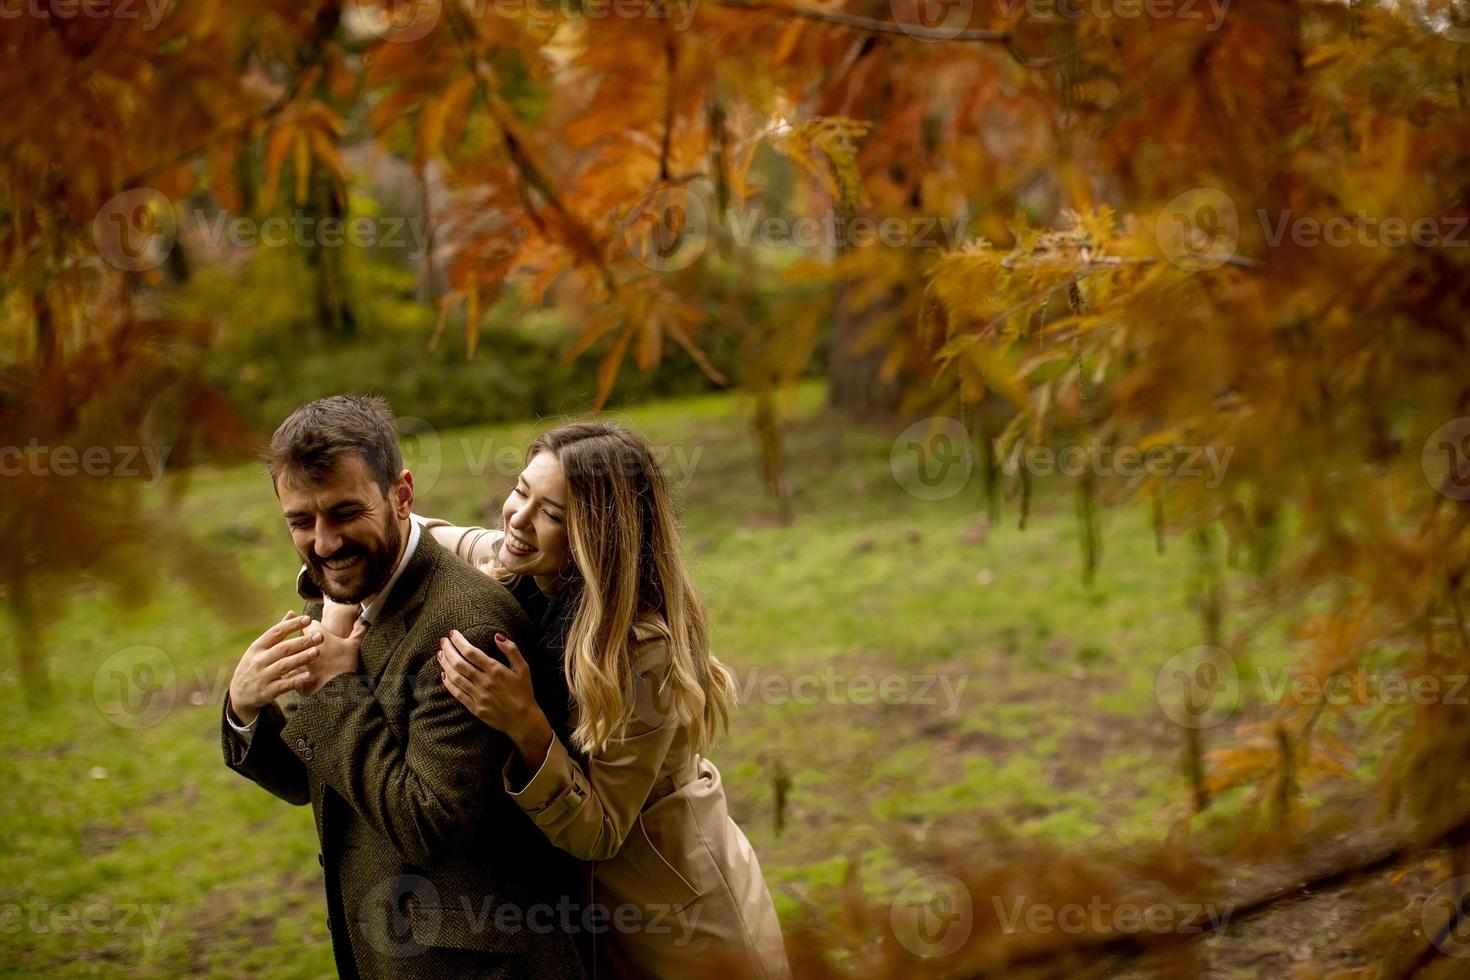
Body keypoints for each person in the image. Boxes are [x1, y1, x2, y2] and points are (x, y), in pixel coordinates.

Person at [333, 421, 790, 978]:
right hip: (584, 917)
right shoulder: (516, 560)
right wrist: (337, 609)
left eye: (552, 514)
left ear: (598, 537)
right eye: (521, 491)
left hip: (677, 926)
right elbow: (412, 532)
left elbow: (598, 830)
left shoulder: (642, 652)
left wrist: (525, 723)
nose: (518, 519)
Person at [221, 395, 585, 979]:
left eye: (345, 513)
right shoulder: (340, 591)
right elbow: (309, 778)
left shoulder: (465, 623)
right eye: (300, 521)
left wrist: (337, 692)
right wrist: (244, 708)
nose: (324, 542)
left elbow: (430, 824)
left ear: (402, 495)